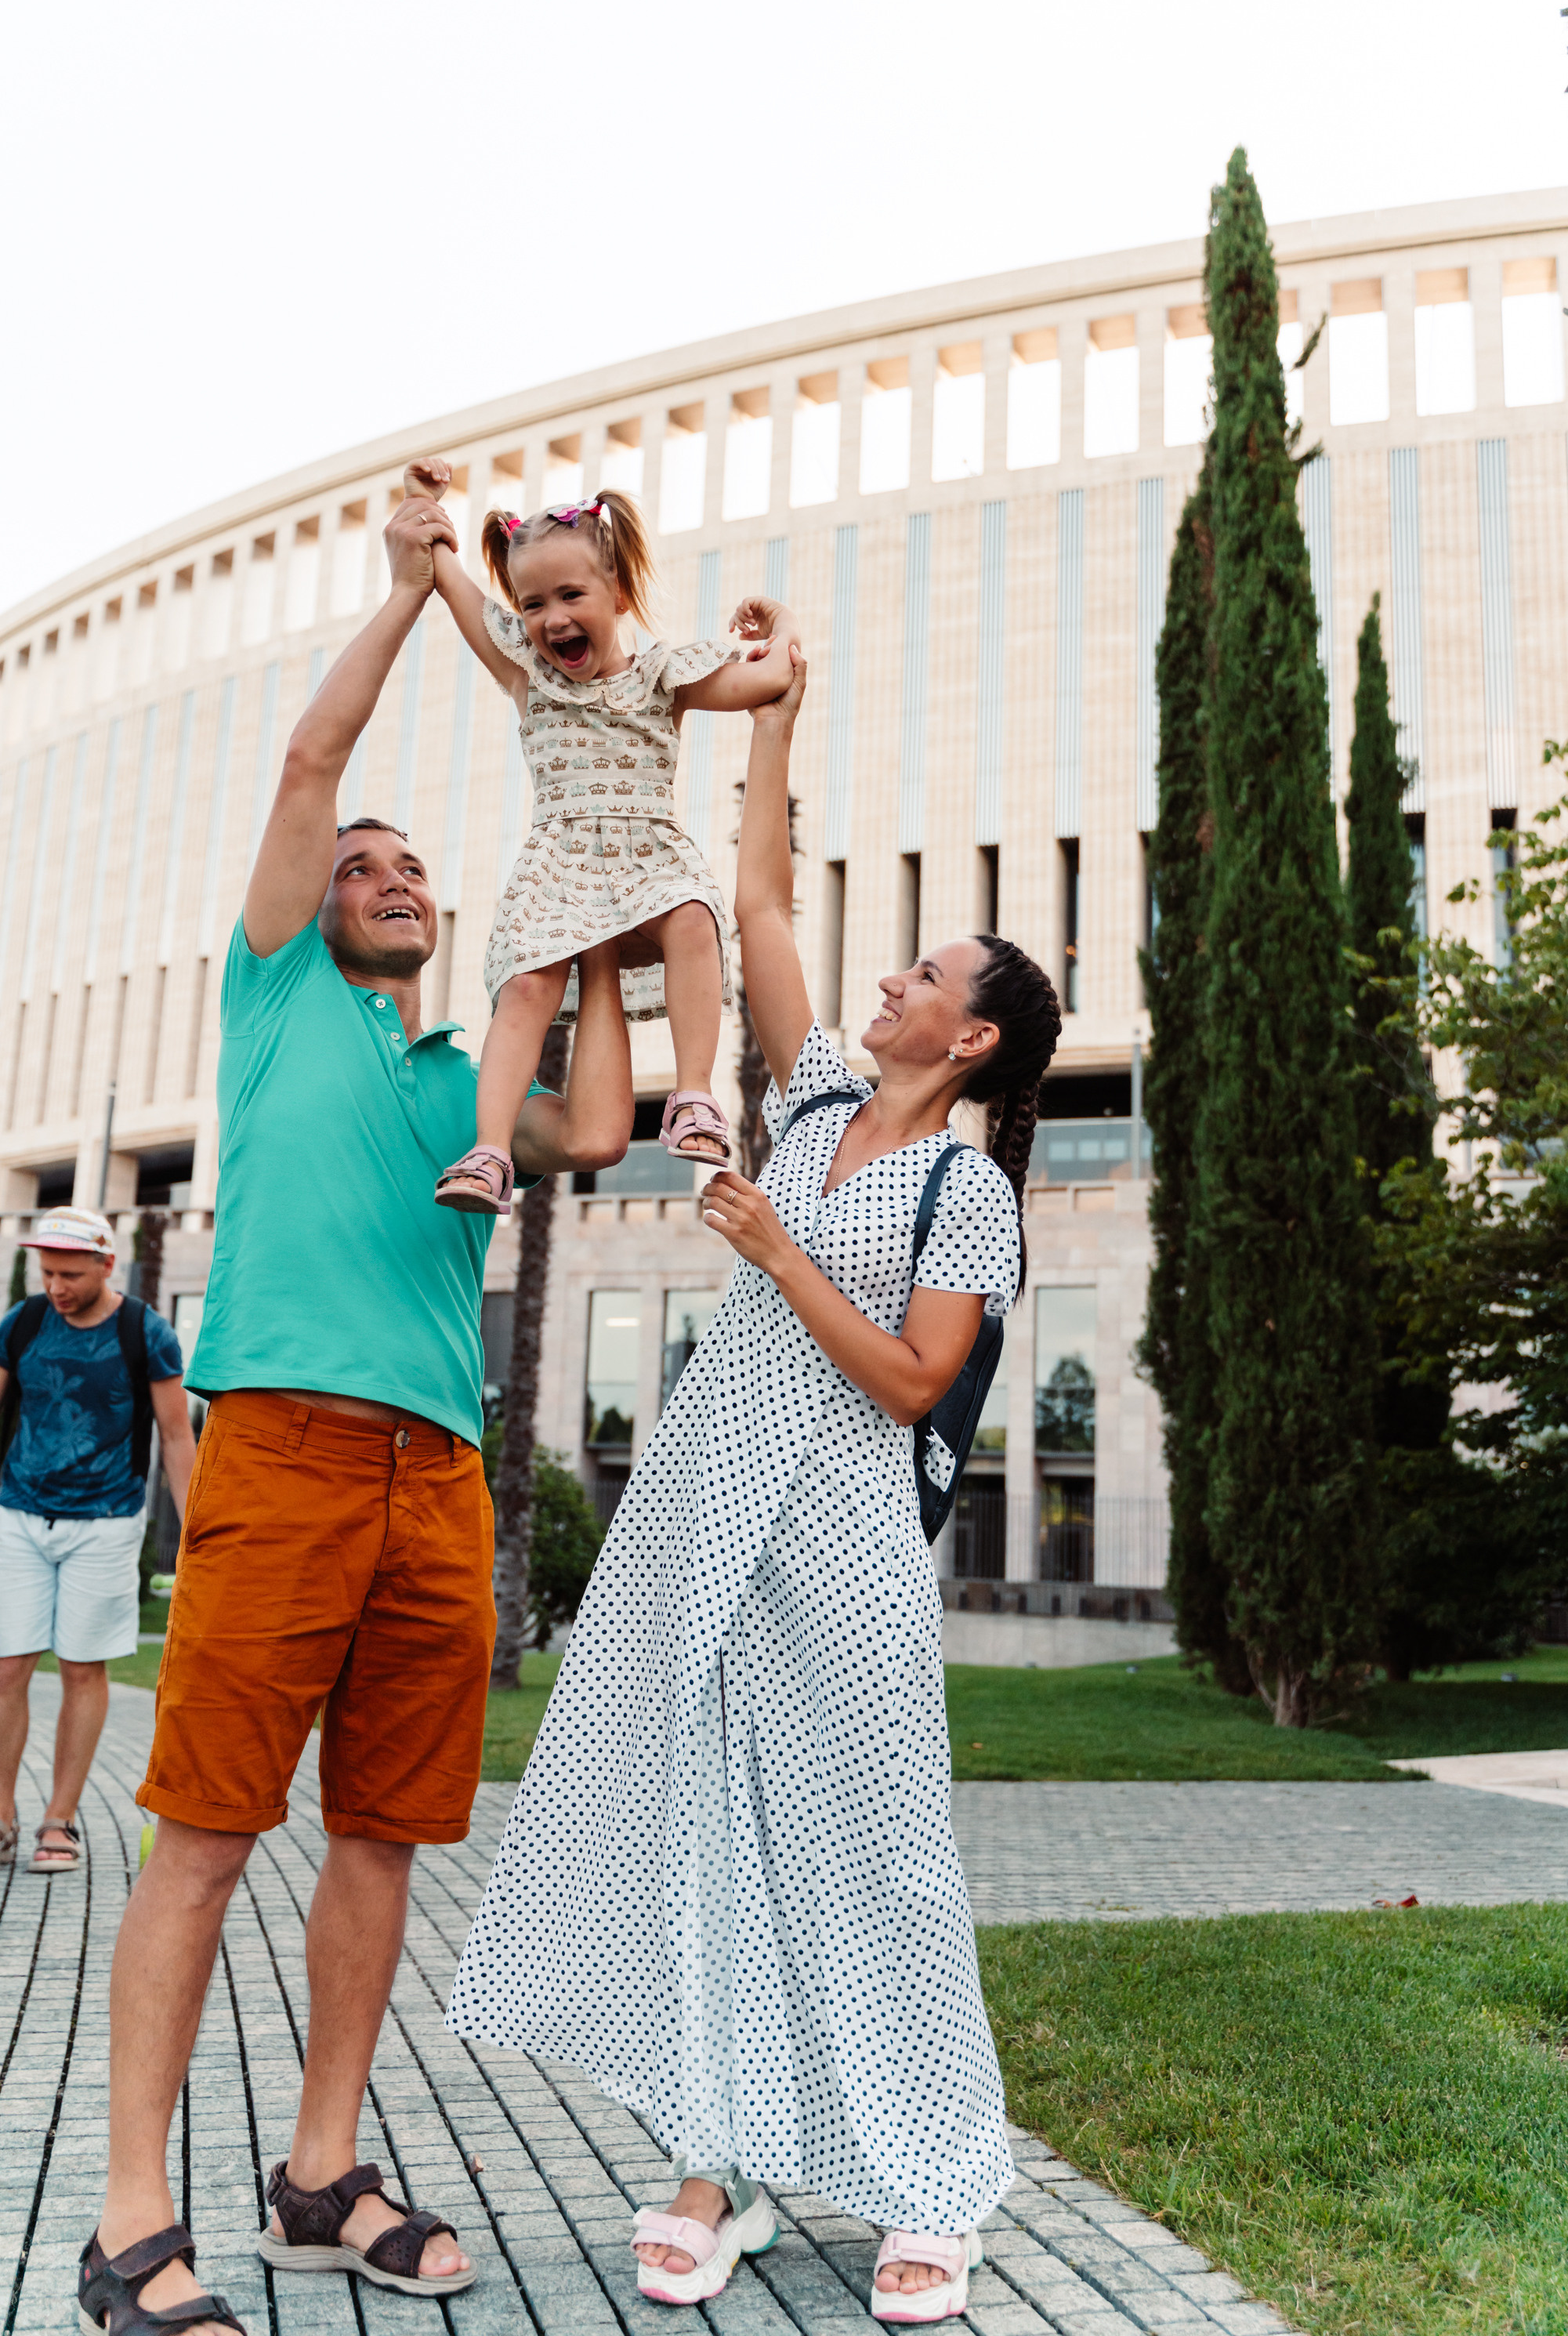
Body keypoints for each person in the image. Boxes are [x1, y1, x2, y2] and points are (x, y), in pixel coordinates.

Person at [446, 650, 1063, 2324]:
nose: (889, 981)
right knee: (698, 1822)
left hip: (844, 1534)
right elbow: (759, 897)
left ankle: (932, 2182)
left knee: (876, 1852)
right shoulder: (803, 1100)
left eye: (925, 974)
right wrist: (776, 712)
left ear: (976, 1032)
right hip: (705, 1502)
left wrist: (778, 1248)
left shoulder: (967, 1190)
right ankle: (710, 2167)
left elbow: (918, 1384)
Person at [78, 498, 636, 2336]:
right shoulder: (273, 999)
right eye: (367, 865)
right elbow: (318, 753)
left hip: (439, 1478)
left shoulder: (459, 1074)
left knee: (383, 1834)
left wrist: (616, 925)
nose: (394, 876)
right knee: (210, 1833)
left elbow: (603, 1131)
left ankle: (321, 2172)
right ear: (315, 902)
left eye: (414, 869)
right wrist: (412, 592)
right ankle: (130, 2218)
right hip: (289, 1453)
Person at [398, 452, 802, 1205]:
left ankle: (691, 1094)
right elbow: (448, 578)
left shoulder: (663, 676)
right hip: (560, 862)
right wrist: (423, 503)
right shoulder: (529, 674)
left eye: (571, 594)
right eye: (532, 603)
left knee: (691, 919)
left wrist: (784, 627)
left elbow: (770, 678)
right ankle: (490, 1153)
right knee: (526, 987)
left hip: (647, 855)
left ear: (617, 593)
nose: (551, 619)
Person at [0, 1206, 194, 1878]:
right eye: (48, 1272)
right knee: (6, 1668)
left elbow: (175, 1437)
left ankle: (59, 1818)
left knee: (83, 1668)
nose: (57, 1286)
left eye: (71, 1274)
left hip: (106, 1523)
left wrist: (193, 1532)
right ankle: (0, 1817)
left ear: (107, 1265)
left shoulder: (146, 1331)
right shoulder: (22, 1324)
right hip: (18, 1514)